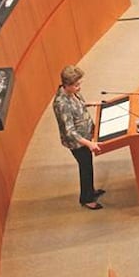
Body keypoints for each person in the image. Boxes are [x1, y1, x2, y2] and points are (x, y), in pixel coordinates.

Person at [52, 65, 104, 210]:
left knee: (88, 165)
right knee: (85, 167)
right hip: (78, 143)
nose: (79, 87)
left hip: (85, 136)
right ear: (66, 85)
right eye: (76, 85)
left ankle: (91, 191)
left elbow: (78, 105)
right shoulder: (61, 104)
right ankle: (86, 199)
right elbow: (69, 131)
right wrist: (89, 143)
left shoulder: (73, 93)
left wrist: (90, 103)